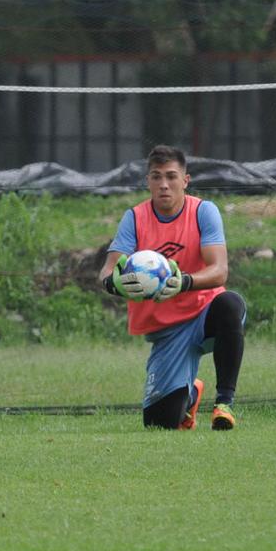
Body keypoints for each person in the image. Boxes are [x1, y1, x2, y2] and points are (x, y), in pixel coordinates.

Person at [99, 145, 246, 431]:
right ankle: (189, 394)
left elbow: (220, 270)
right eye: (156, 177)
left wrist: (184, 283)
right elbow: (109, 268)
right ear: (148, 181)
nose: (164, 184)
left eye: (171, 176)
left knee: (231, 304)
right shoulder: (135, 218)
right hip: (166, 331)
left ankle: (224, 403)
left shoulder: (204, 211)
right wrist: (114, 283)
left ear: (185, 180)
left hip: (204, 313)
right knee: (160, 423)